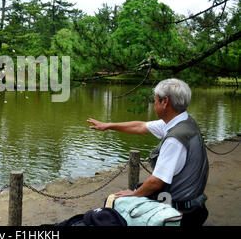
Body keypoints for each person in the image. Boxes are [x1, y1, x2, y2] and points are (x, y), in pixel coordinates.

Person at [87, 78, 209, 226]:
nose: (154, 104)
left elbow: (155, 182)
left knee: (114, 203)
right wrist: (108, 126)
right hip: (191, 201)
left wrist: (133, 195)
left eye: (155, 100)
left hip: (179, 211)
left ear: (164, 102)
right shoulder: (185, 122)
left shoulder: (175, 139)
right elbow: (141, 126)